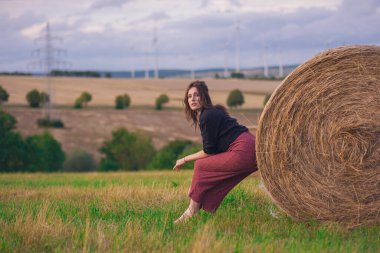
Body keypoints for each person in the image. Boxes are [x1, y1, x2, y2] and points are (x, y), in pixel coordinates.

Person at [173, 80, 258, 224]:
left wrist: (184, 159)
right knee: (211, 169)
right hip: (251, 147)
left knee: (200, 165)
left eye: (196, 95)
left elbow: (209, 151)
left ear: (203, 97)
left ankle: (192, 210)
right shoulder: (212, 113)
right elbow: (216, 149)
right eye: (189, 96)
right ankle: (200, 203)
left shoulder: (207, 116)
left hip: (243, 149)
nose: (192, 99)